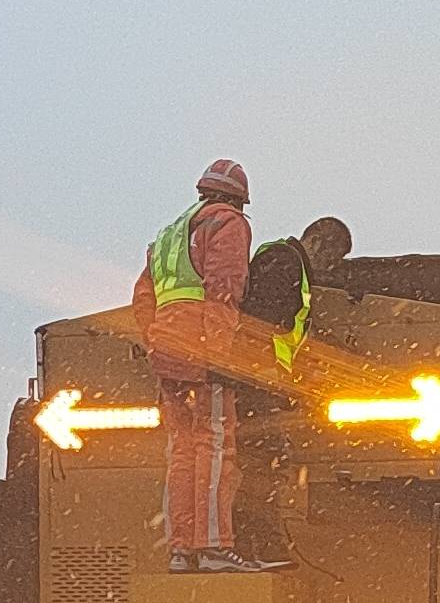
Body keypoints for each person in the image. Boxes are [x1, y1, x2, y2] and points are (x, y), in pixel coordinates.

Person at [132, 159, 277, 571]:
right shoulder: (227, 223)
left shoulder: (167, 236)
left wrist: (159, 344)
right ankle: (214, 546)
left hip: (168, 351)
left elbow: (143, 300)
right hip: (203, 347)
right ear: (238, 199)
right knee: (216, 445)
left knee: (180, 450)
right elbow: (225, 289)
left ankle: (181, 549)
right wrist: (218, 353)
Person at [239, 213, 353, 376]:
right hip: (262, 369)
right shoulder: (283, 261)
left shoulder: (293, 266)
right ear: (315, 242)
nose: (329, 269)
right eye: (329, 260)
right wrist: (264, 364)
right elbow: (259, 317)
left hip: (269, 369)